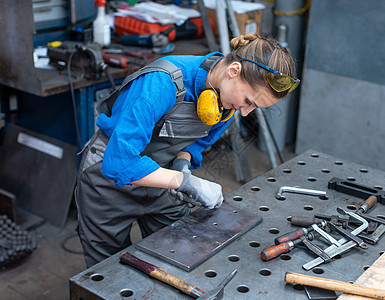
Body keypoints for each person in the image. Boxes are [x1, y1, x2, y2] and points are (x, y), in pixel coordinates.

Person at [75, 33, 299, 268]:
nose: (245, 113)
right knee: (110, 270)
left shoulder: (224, 99)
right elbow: (119, 161)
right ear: (233, 71)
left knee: (182, 252)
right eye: (249, 101)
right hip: (108, 185)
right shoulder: (160, 84)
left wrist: (182, 164)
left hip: (161, 182)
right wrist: (183, 181)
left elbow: (196, 142)